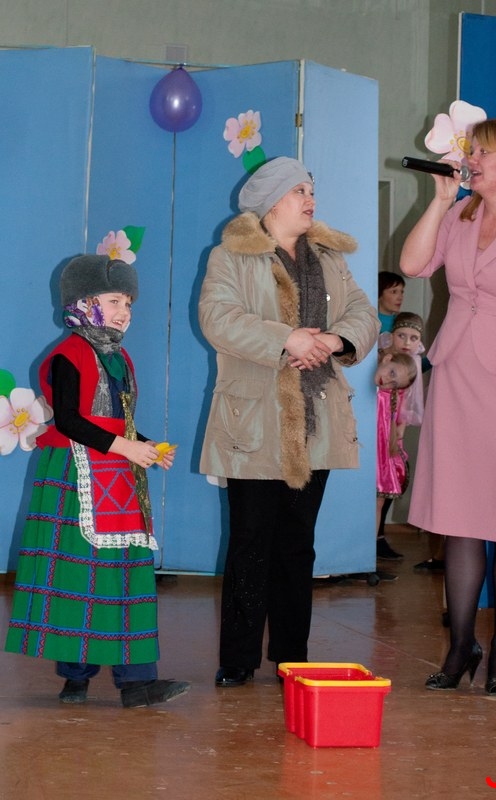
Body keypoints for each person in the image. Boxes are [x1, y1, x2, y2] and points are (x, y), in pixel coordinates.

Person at [198, 156, 379, 687]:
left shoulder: (330, 257)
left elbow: (363, 314)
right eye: (299, 190)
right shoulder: (230, 255)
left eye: (311, 189)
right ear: (272, 201)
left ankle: (291, 654)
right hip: (254, 421)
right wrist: (288, 339)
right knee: (250, 541)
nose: (310, 199)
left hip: (316, 420)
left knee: (298, 543)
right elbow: (218, 319)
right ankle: (238, 657)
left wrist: (334, 340)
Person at [5, 254, 191, 708]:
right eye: (114, 301)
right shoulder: (68, 355)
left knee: (125, 573)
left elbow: (116, 420)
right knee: (78, 576)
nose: (124, 311)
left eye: (128, 303)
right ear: (84, 302)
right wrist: (127, 447)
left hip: (116, 474)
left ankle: (137, 682)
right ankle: (76, 678)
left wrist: (145, 445)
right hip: (74, 476)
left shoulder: (119, 357)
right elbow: (70, 420)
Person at [400, 117, 496, 695]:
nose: (471, 160)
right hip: (456, 372)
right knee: (459, 516)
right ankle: (460, 646)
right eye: (469, 151)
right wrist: (439, 200)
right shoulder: (459, 215)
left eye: (484, 153)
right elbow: (412, 265)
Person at [376, 311, 425, 561]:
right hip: (374, 438)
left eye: (413, 338)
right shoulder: (380, 362)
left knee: (384, 493)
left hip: (390, 440)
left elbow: (403, 412)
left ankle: (377, 540)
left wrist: (398, 439)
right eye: (401, 335)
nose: (407, 342)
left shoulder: (411, 369)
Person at [375, 351, 417, 549]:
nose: (387, 381)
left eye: (394, 384)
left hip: (380, 458)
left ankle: (369, 549)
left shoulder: (386, 398)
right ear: (387, 359)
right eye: (391, 373)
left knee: (378, 503)